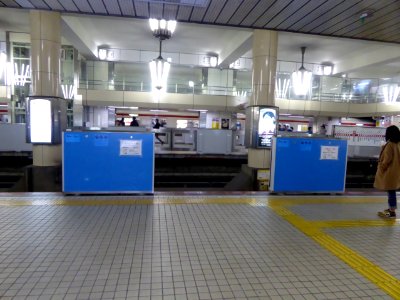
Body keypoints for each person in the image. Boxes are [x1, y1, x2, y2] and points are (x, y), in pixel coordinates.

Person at [374, 125, 400, 218]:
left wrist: (381, 168)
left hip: (390, 172)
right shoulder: (398, 143)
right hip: (397, 172)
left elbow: (387, 159)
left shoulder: (390, 144)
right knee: (392, 190)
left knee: (391, 191)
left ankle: (392, 211)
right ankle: (391, 209)